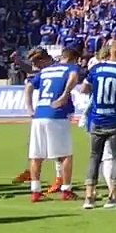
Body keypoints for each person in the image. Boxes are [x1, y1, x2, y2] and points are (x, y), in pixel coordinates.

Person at [80, 40, 116, 209]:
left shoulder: (96, 69)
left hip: (97, 118)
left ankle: (89, 197)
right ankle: (112, 197)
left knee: (94, 156)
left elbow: (84, 89)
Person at [24, 48, 78, 202]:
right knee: (66, 154)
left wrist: (29, 107)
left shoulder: (46, 71)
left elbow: (28, 85)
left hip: (39, 114)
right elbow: (74, 77)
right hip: (57, 114)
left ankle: (35, 191)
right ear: (73, 58)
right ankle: (66, 190)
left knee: (36, 155)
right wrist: (65, 95)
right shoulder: (70, 68)